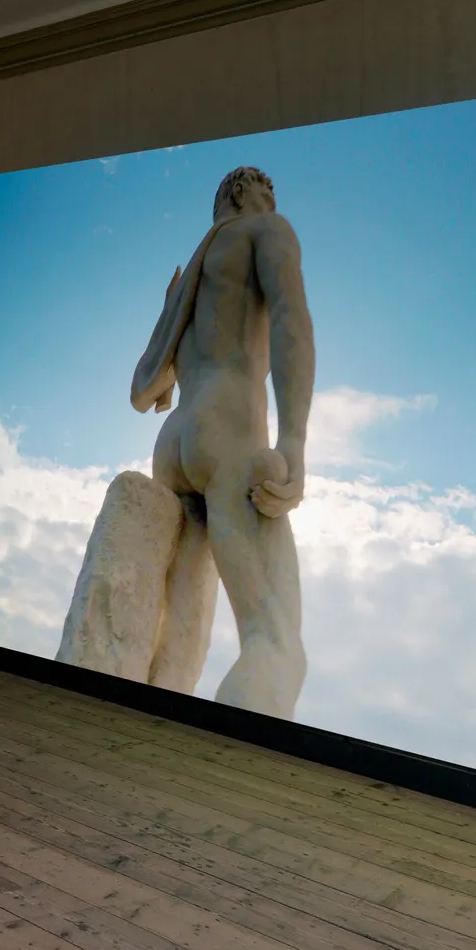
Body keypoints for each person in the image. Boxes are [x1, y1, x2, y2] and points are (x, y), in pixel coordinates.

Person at [133, 165, 315, 719]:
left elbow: (143, 392)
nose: (272, 199)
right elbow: (290, 322)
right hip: (230, 429)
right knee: (276, 639)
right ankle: (234, 764)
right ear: (242, 192)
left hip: (174, 443)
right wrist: (294, 443)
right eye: (267, 189)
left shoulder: (191, 274)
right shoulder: (268, 231)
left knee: (176, 631)